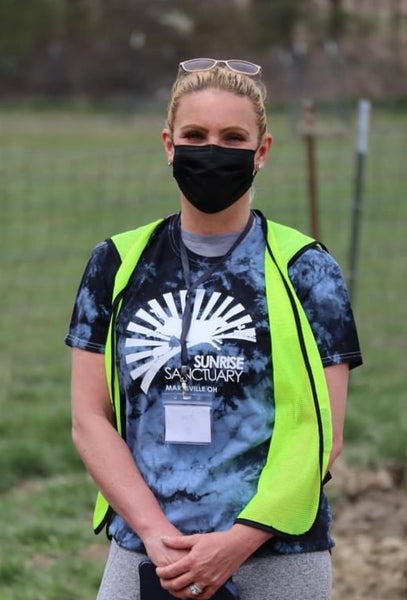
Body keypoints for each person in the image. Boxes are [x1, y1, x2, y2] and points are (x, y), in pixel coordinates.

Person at [65, 58, 362, 600]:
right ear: (169, 145)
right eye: (195, 135)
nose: (213, 150)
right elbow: (89, 419)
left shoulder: (307, 268)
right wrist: (156, 535)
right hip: (146, 556)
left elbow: (322, 435)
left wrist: (236, 542)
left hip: (275, 557)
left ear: (262, 151)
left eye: (232, 137)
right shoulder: (115, 262)